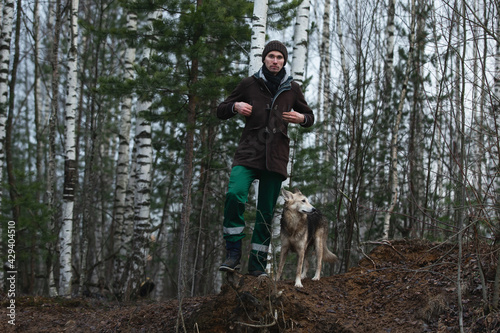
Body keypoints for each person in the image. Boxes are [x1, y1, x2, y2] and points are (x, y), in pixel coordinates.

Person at [217, 40, 314, 277]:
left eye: (279, 57)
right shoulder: (249, 84)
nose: (275, 61)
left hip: (276, 157)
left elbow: (310, 117)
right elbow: (221, 109)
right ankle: (232, 253)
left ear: (284, 61)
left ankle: (257, 267)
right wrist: (235, 106)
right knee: (234, 194)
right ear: (264, 58)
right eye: (271, 56)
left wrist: (301, 118)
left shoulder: (293, 88)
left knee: (265, 211)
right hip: (249, 153)